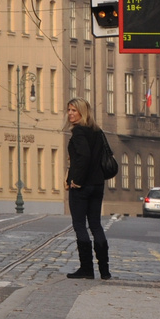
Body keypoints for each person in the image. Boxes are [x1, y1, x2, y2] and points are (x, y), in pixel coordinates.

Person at [65, 96, 111, 280]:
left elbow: (83, 156)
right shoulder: (97, 131)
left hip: (82, 186)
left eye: (73, 110)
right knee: (96, 225)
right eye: (69, 110)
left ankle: (87, 268)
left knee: (79, 225)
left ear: (82, 112)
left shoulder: (79, 132)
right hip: (98, 184)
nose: (70, 114)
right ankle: (105, 270)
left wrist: (76, 180)